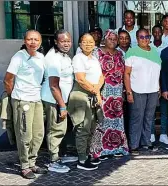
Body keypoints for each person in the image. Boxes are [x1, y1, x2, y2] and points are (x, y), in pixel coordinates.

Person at [4, 30, 48, 179]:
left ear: (40, 42)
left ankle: (32, 162)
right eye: (30, 39)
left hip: (37, 99)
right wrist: (14, 97)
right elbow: (8, 80)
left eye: (36, 39)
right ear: (25, 41)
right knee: (24, 134)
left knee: (38, 134)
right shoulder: (19, 57)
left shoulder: (41, 57)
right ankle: (24, 166)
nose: (33, 42)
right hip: (22, 100)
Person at [41, 29, 77, 173]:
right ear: (56, 42)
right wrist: (62, 106)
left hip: (62, 99)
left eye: (68, 41)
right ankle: (53, 161)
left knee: (61, 128)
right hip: (54, 100)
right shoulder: (53, 58)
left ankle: (61, 154)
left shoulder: (64, 56)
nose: (66, 44)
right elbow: (54, 85)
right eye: (63, 41)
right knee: (55, 130)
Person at [89, 30, 129, 161]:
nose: (113, 41)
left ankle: (116, 148)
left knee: (117, 121)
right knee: (101, 121)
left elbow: (124, 74)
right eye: (110, 38)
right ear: (104, 40)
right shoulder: (97, 53)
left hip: (117, 92)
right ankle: (99, 150)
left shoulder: (120, 54)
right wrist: (95, 92)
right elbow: (93, 73)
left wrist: (124, 92)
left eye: (115, 39)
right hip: (103, 91)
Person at [67, 33, 103, 171]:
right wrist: (95, 91)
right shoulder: (78, 58)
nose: (88, 44)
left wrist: (97, 91)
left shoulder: (94, 58)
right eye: (85, 42)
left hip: (92, 95)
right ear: (80, 44)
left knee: (91, 127)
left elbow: (101, 77)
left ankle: (87, 155)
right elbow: (81, 79)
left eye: (91, 42)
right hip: (81, 96)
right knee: (82, 128)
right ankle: (81, 159)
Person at [124, 28, 161, 155]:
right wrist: (128, 92)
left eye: (146, 37)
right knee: (136, 118)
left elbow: (157, 72)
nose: (144, 39)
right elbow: (127, 74)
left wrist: (159, 88)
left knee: (149, 118)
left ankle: (146, 142)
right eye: (141, 37)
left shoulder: (155, 52)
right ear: (137, 38)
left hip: (152, 90)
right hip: (137, 90)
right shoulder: (132, 52)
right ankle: (134, 145)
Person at [150, 25, 168, 145]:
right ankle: (151, 133)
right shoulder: (148, 47)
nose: (157, 33)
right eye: (155, 32)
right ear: (152, 33)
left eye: (159, 32)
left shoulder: (166, 47)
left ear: (162, 33)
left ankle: (163, 134)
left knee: (164, 110)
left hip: (164, 79)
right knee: (151, 110)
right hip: (151, 81)